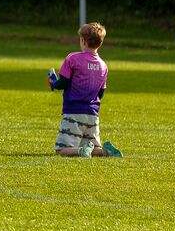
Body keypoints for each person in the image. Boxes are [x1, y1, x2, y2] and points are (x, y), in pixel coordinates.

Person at [47, 22, 122, 158]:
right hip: (92, 114)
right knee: (93, 147)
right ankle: (105, 151)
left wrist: (53, 83)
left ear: (83, 41)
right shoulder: (103, 66)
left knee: (61, 150)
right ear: (100, 43)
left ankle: (81, 151)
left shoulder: (72, 58)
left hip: (73, 112)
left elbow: (63, 83)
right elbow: (101, 93)